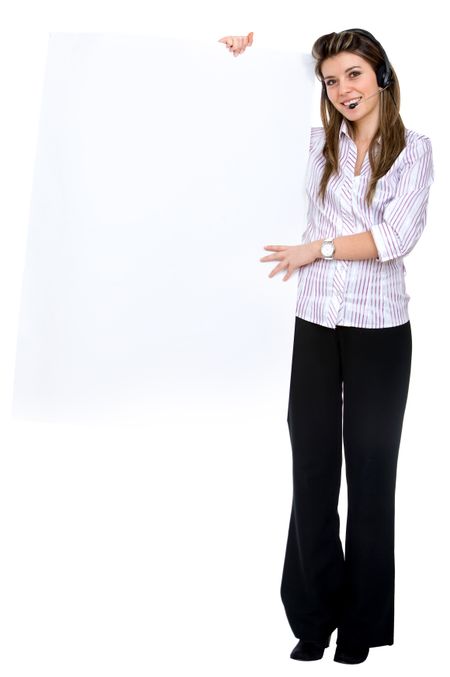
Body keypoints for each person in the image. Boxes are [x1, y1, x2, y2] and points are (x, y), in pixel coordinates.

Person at [218, 28, 434, 664]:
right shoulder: (317, 146)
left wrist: (319, 248)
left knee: (370, 477)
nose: (343, 90)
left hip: (380, 331)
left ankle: (361, 627)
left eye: (355, 75)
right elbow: (256, 105)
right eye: (332, 81)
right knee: (312, 472)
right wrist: (250, 49)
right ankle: (313, 616)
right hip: (315, 324)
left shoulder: (414, 151)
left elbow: (396, 237)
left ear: (382, 76)